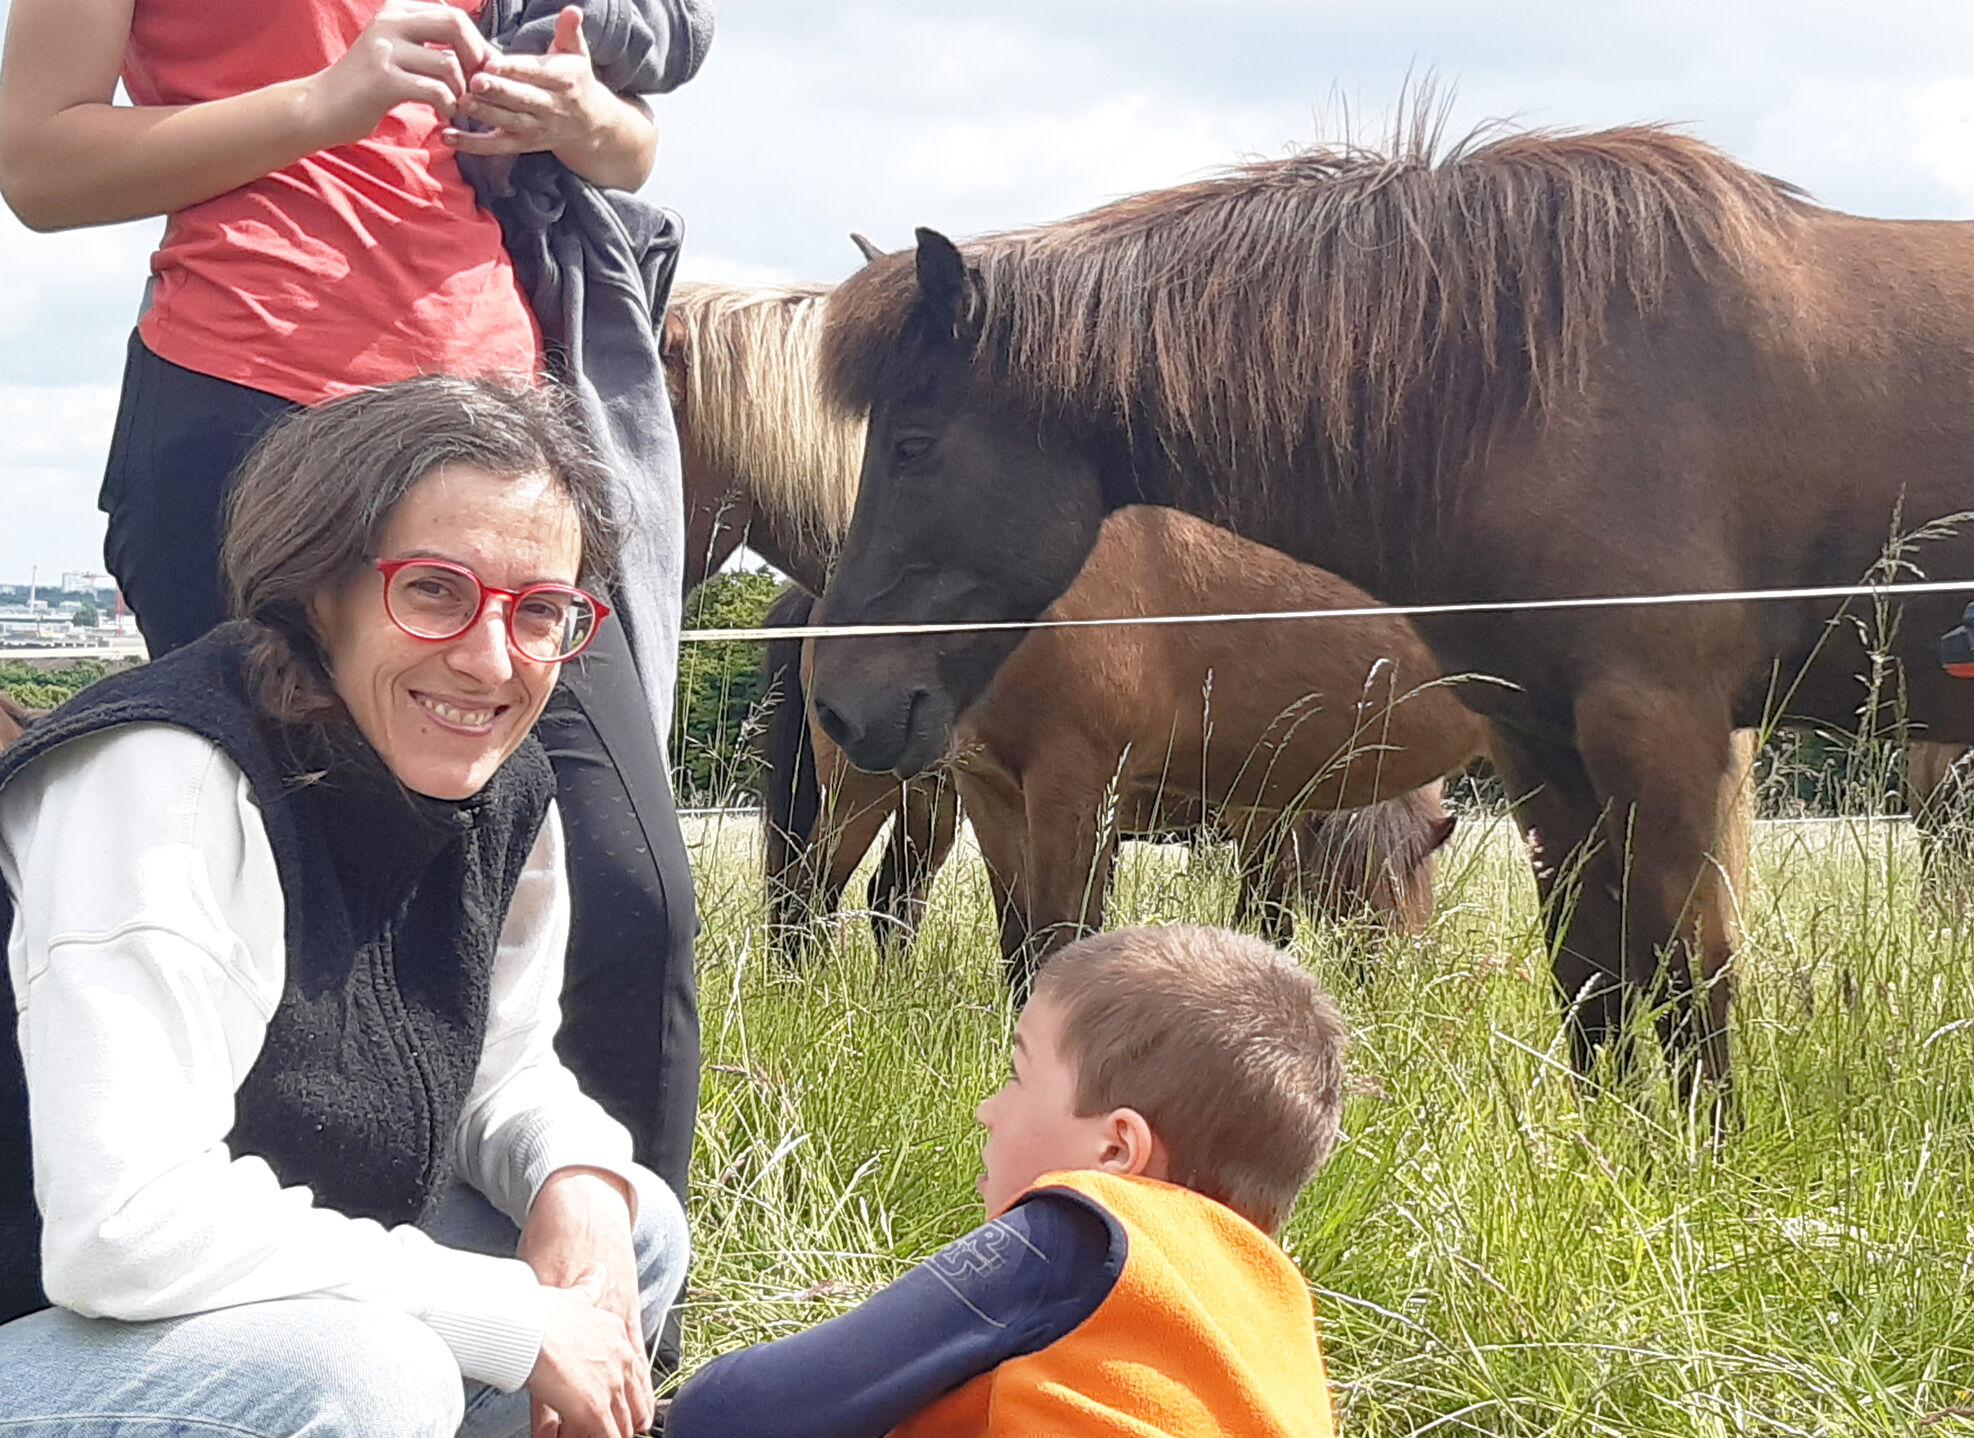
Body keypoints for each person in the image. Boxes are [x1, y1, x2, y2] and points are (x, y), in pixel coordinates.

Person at [0, 0, 708, 1259]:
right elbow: (35, 163)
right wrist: (322, 106)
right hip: (248, 410)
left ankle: (597, 1332)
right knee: (283, 920)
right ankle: (259, 1322)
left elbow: (632, 146)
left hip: (499, 429)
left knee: (632, 891)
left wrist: (587, 122)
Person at [0, 377, 688, 1438]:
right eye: (433, 591)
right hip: (37, 1325)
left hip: (166, 1310)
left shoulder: (499, 786)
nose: (491, 658)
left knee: (628, 1234)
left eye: (540, 608)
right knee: (366, 1376)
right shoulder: (165, 783)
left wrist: (579, 1175)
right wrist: (506, 1313)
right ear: (319, 589)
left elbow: (498, 1072)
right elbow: (123, 1227)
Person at [668, 926, 1349, 1438]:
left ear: (1117, 1150)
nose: (987, 1110)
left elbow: (734, 1415)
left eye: (1018, 1076)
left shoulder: (1081, 1232)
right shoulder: (1279, 1318)